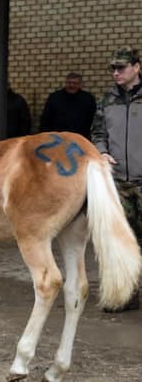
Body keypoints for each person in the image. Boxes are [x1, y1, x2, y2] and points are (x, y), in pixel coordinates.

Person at [91, 46, 142, 312]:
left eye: (121, 68)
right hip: (119, 184)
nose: (116, 73)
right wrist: (102, 152)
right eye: (113, 68)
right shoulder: (107, 100)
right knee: (124, 241)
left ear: (137, 67)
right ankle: (128, 295)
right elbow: (97, 133)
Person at [39, 72, 96, 139]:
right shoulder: (54, 98)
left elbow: (93, 120)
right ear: (66, 83)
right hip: (58, 138)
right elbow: (45, 119)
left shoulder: (88, 99)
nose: (71, 85)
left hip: (81, 138)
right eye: (69, 83)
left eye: (75, 83)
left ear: (80, 84)